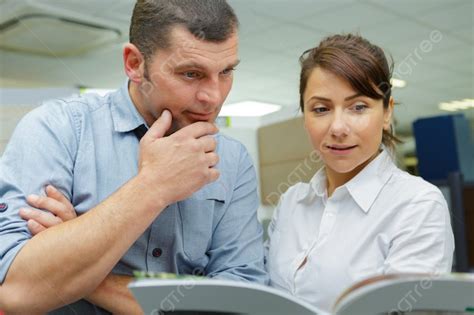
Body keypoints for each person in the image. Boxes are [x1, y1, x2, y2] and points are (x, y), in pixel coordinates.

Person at [0, 1, 268, 314]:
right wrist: (153, 187)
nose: (214, 96)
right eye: (191, 74)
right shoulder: (57, 128)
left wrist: (84, 266)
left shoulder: (233, 159)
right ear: (134, 63)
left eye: (226, 72)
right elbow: (17, 292)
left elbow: (241, 304)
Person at [264, 34, 454, 313]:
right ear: (304, 116)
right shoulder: (292, 202)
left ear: (387, 112)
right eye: (321, 109)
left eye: (359, 107)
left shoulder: (418, 205)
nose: (338, 127)